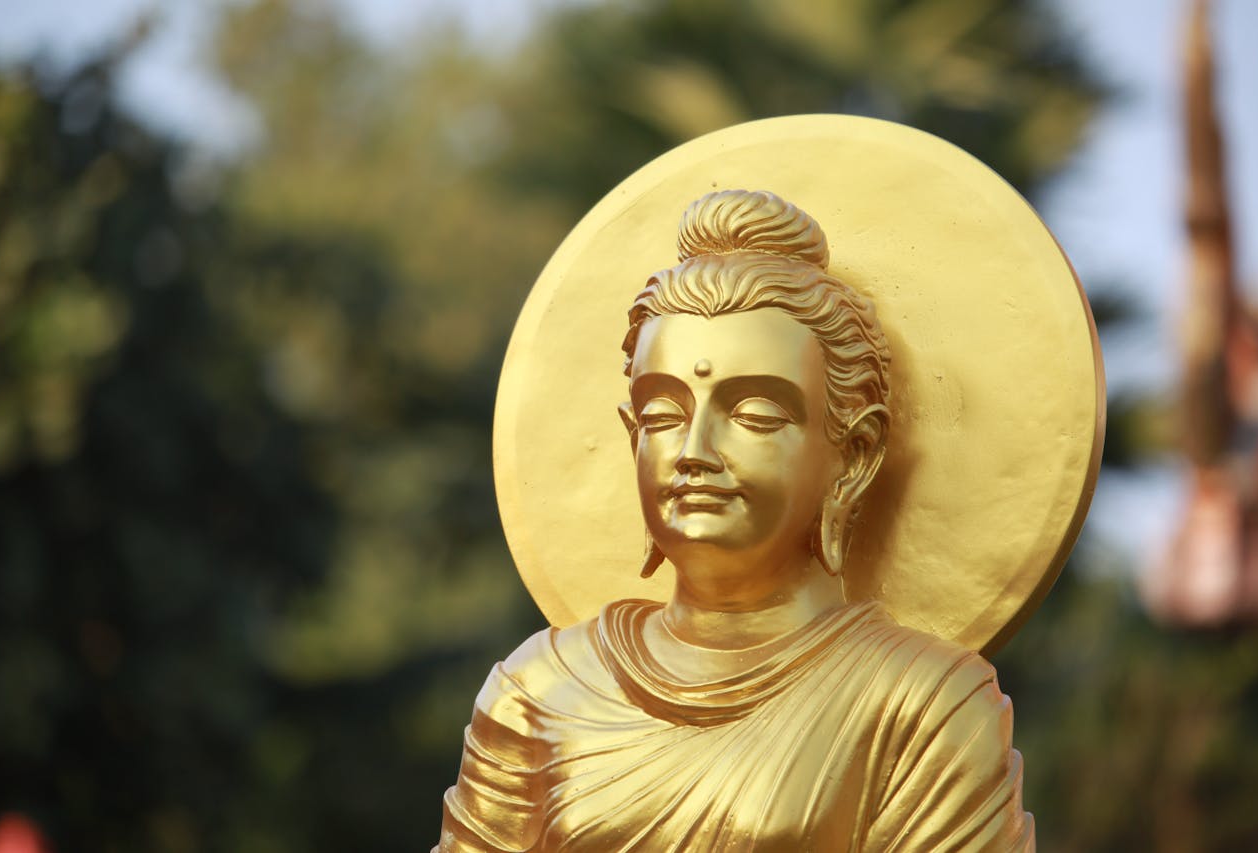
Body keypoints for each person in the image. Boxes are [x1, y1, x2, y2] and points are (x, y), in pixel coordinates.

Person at [436, 190, 1034, 852]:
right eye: (663, 415)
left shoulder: (923, 707)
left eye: (754, 414)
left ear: (854, 452)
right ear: (630, 435)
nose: (693, 452)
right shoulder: (542, 688)